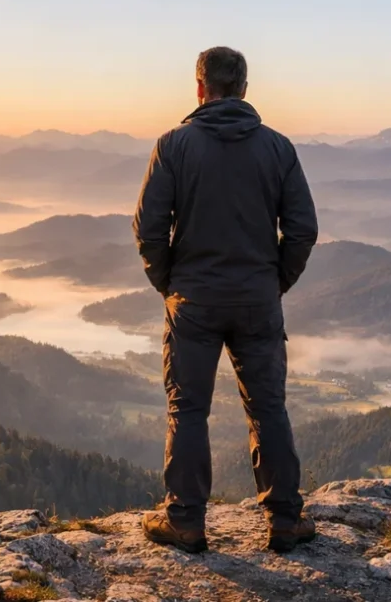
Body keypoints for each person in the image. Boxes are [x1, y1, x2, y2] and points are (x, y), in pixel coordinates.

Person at [134, 46, 319, 554]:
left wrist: (171, 282)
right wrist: (273, 281)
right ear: (244, 89)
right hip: (257, 300)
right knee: (268, 408)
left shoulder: (173, 146)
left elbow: (149, 230)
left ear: (200, 88)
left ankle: (186, 522)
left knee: (188, 409)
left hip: (193, 301)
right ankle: (285, 520)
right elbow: (303, 229)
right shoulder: (278, 149)